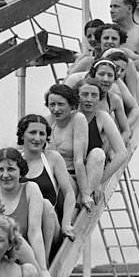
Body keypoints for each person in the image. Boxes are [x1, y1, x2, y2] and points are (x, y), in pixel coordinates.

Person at [0, 148, 53, 277]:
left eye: (11, 169)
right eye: (0, 170)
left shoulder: (31, 189)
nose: (5, 175)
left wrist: (42, 269)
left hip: (23, 256)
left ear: (20, 171)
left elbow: (35, 232)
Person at [16, 114, 76, 239]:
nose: (37, 138)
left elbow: (69, 193)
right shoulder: (15, 161)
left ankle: (44, 258)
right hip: (24, 227)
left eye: (41, 134)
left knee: (45, 205)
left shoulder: (53, 158)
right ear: (22, 135)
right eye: (32, 132)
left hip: (49, 227)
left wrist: (66, 223)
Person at [77, 78, 129, 201]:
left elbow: (122, 153)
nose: (89, 99)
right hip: (70, 171)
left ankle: (85, 196)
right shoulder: (69, 116)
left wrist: (100, 181)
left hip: (90, 169)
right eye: (84, 94)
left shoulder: (102, 117)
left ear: (99, 98)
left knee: (98, 154)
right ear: (77, 96)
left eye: (94, 95)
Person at [44, 83, 93, 211]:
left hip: (70, 177)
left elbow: (79, 160)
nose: (56, 109)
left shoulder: (78, 119)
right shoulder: (48, 121)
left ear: (71, 105)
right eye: (52, 104)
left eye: (61, 104)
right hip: (50, 176)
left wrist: (85, 194)